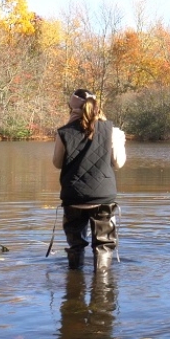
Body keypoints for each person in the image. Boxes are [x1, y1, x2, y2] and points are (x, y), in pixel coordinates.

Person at [53, 88, 126, 270]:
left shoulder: (63, 132)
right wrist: (120, 142)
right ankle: (101, 285)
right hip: (103, 198)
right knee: (103, 245)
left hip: (73, 198)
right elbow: (119, 163)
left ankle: (74, 284)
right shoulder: (113, 131)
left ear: (72, 108)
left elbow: (57, 164)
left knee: (75, 245)